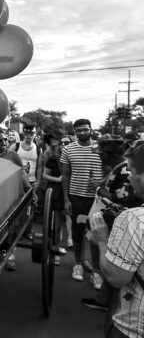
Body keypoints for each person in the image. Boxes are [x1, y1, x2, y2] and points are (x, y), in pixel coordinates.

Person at [89, 142, 144, 338]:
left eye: (132, 172)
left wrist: (102, 239)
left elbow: (116, 277)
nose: (129, 177)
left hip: (134, 324)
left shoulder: (135, 219)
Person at [0, 129, 30, 270]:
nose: (4, 142)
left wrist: (29, 189)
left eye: (6, 140)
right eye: (0, 140)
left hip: (9, 197)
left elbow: (22, 173)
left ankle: (10, 256)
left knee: (11, 227)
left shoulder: (13, 155)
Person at [61, 119, 104, 283]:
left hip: (97, 200)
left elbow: (111, 170)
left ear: (91, 129)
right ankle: (77, 263)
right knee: (78, 233)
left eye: (85, 129)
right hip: (77, 198)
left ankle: (96, 271)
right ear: (74, 132)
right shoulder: (68, 149)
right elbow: (65, 175)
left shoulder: (100, 148)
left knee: (95, 235)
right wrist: (66, 199)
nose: (82, 133)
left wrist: (100, 183)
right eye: (78, 130)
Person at [41, 131, 67, 265]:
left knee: (64, 222)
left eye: (59, 140)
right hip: (56, 191)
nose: (55, 141)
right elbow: (44, 175)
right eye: (53, 139)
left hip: (69, 191)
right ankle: (54, 248)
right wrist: (59, 179)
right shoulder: (50, 157)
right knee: (56, 223)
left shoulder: (69, 156)